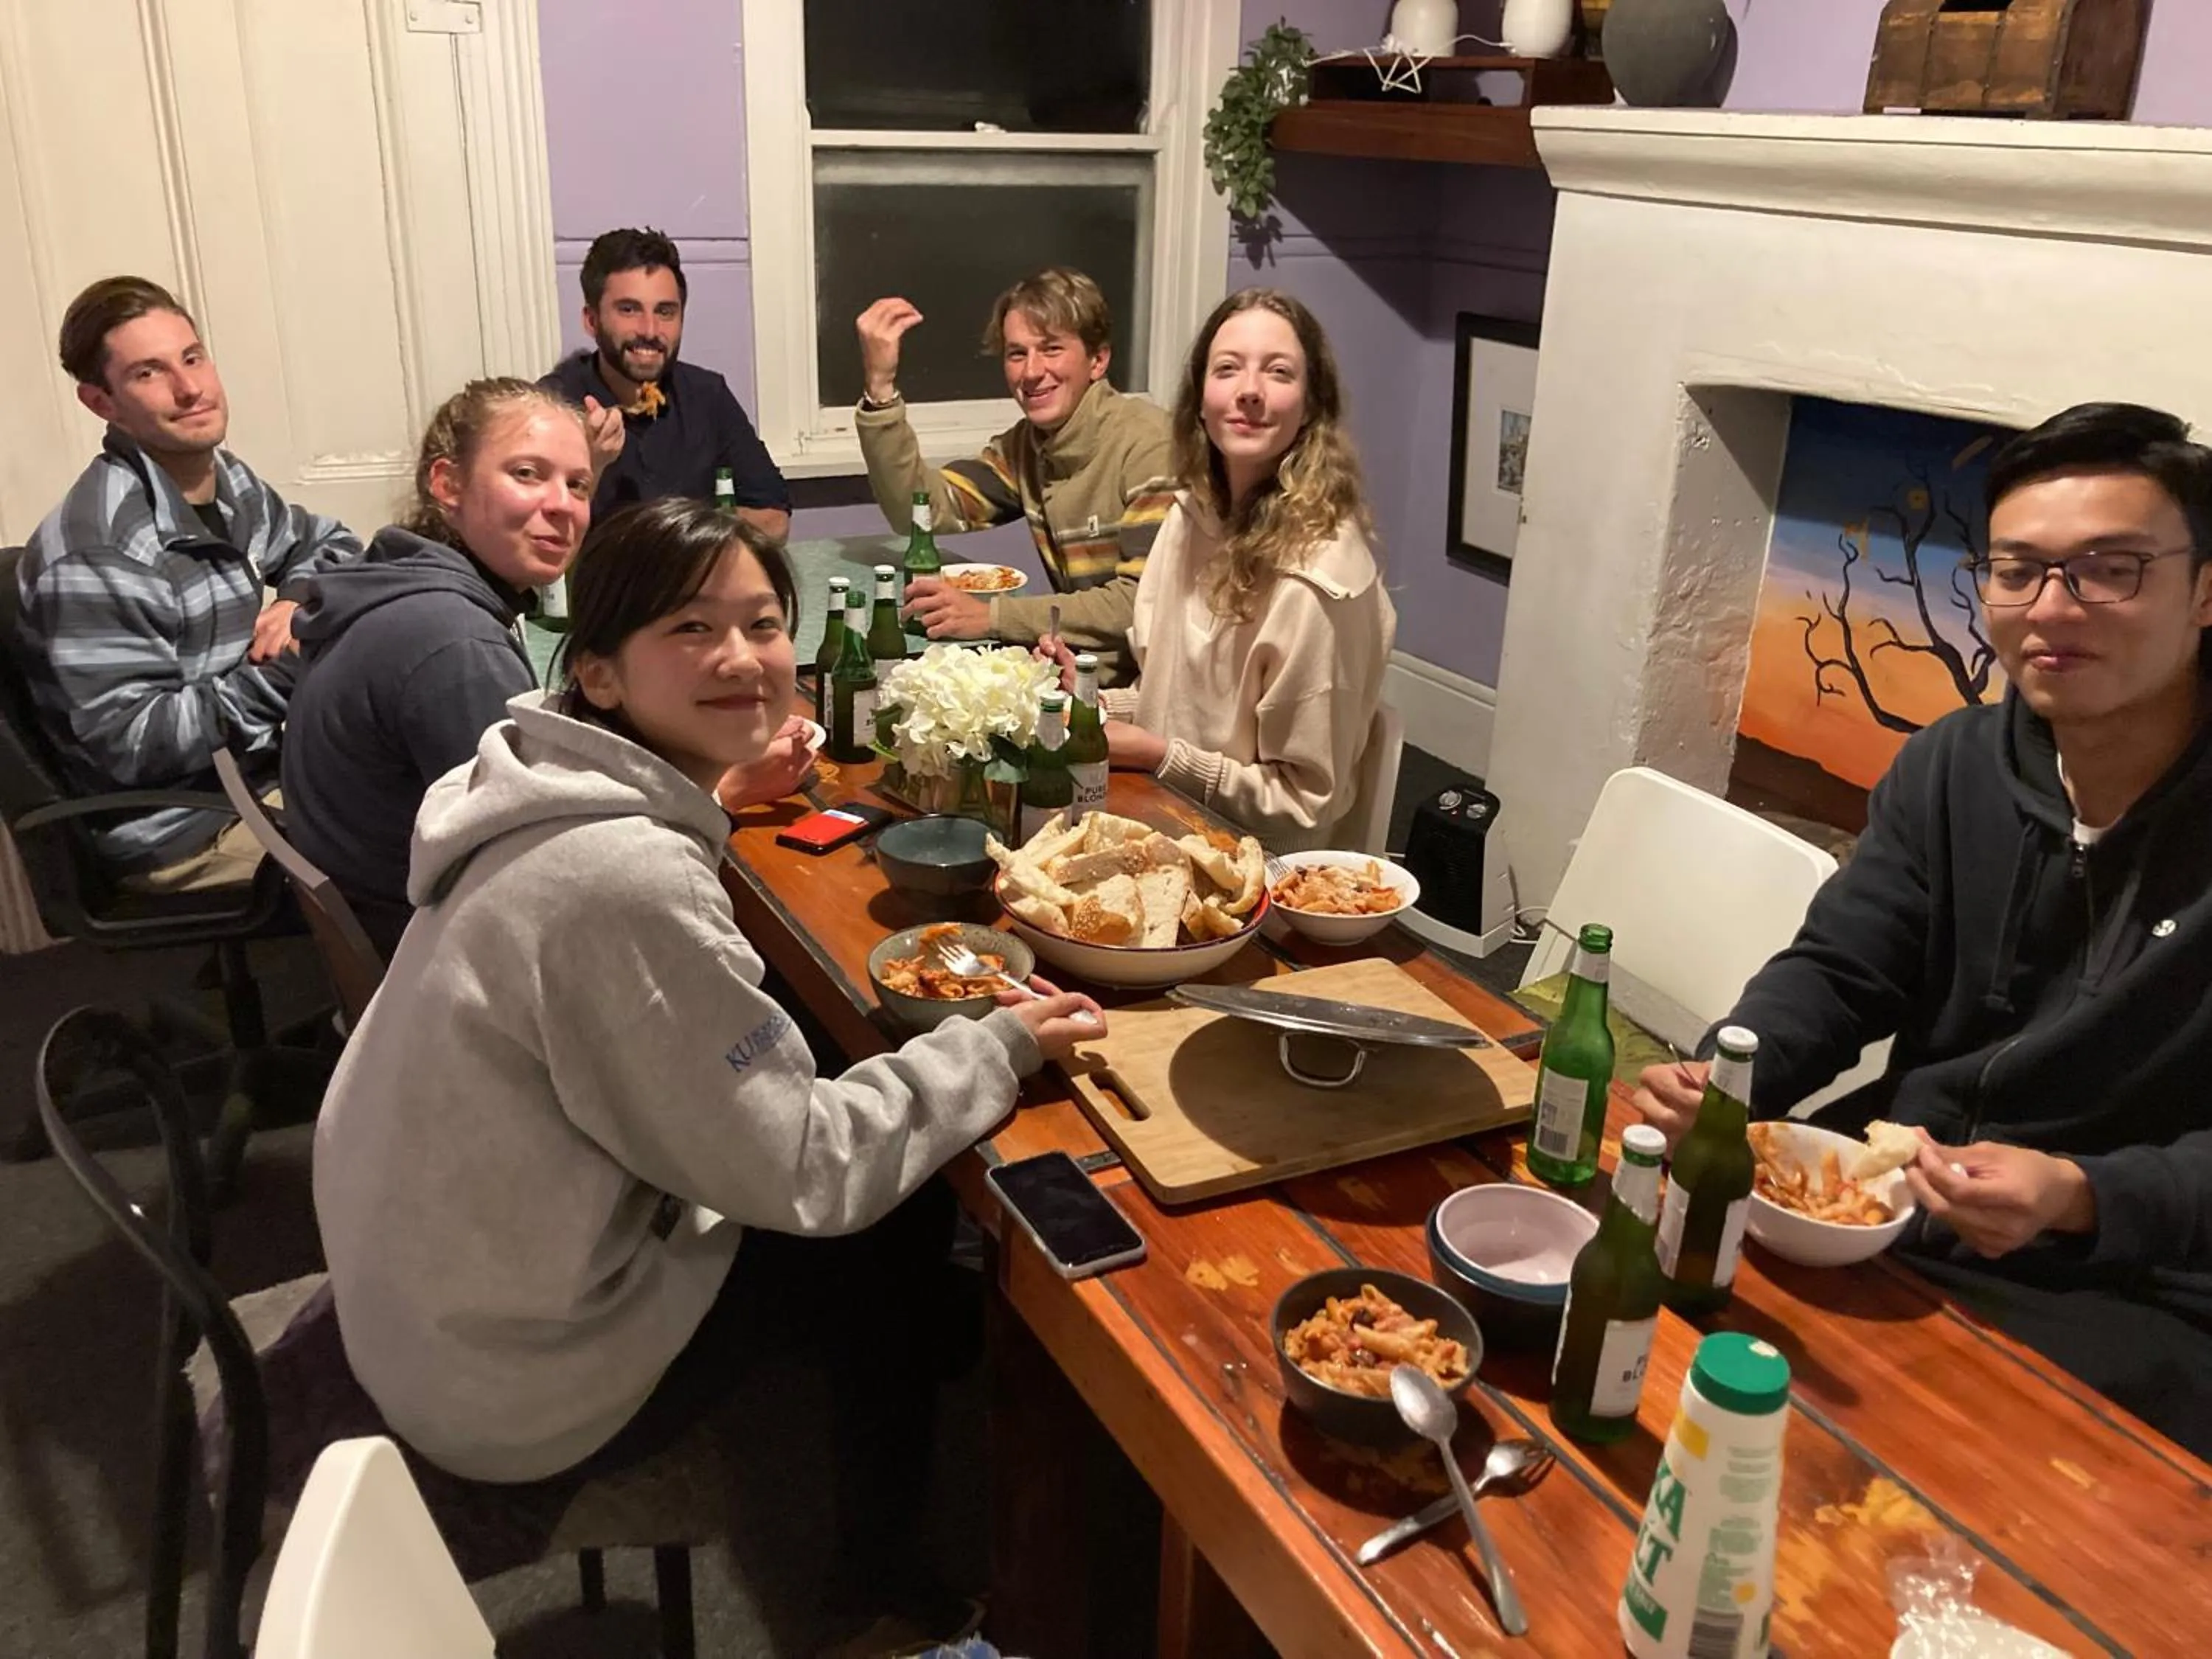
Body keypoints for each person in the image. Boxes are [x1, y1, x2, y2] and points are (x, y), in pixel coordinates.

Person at [311, 498, 1101, 1643]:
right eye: (690, 629)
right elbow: (809, 1169)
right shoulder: (621, 879)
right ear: (599, 670)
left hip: (426, 1292)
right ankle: (877, 1579)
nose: (742, 657)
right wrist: (1004, 1041)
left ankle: (929, 1344)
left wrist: (717, 796)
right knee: (877, 1227)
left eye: (764, 622)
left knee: (831, 1081)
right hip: (505, 1380)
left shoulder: (535, 778)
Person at [1633, 403, 2212, 1458]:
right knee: (1652, 1330)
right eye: (2019, 569)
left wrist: (2086, 1195)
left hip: (2134, 1282)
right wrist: (1730, 1078)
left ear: (2205, 590)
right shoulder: (1954, 764)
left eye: (2110, 569)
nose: (2053, 607)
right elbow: (1844, 965)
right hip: (1897, 1204)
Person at [281, 380, 823, 957]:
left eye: (578, 484)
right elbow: (545, 870)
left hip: (396, 916)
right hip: (440, 957)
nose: (562, 506)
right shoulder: (454, 646)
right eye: (527, 474)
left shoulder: (403, 580)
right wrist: (731, 787)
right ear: (447, 484)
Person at [15, 275, 362, 888]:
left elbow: (330, 545)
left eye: (193, 358)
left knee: (438, 789)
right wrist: (286, 669)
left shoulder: (223, 483)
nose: (190, 388)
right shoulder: (103, 552)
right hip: (181, 828)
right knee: (410, 852)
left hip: (253, 776)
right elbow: (133, 744)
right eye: (149, 373)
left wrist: (297, 602)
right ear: (102, 402)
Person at [1042, 288, 1395, 852]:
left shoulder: (1320, 580)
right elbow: (1180, 700)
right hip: (1158, 812)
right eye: (1227, 369)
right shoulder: (1192, 516)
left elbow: (1300, 804)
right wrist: (1096, 706)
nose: (1249, 391)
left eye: (1279, 372)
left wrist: (1156, 753)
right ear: (1200, 399)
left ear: (1310, 406)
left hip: (1258, 865)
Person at [855, 267, 1175, 684]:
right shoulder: (1027, 447)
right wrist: (880, 387)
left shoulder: (1151, 447)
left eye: (1052, 349)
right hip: (1081, 674)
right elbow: (925, 512)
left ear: (1098, 360)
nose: (1031, 372)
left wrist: (991, 616)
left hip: (1156, 693)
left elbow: (1141, 602)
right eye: (1017, 353)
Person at [542, 227, 790, 541]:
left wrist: (681, 543)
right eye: (629, 309)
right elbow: (537, 548)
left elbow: (774, 517)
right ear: (592, 320)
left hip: (697, 581)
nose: (650, 329)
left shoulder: (707, 394)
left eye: (665, 311)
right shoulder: (552, 406)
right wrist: (589, 468)